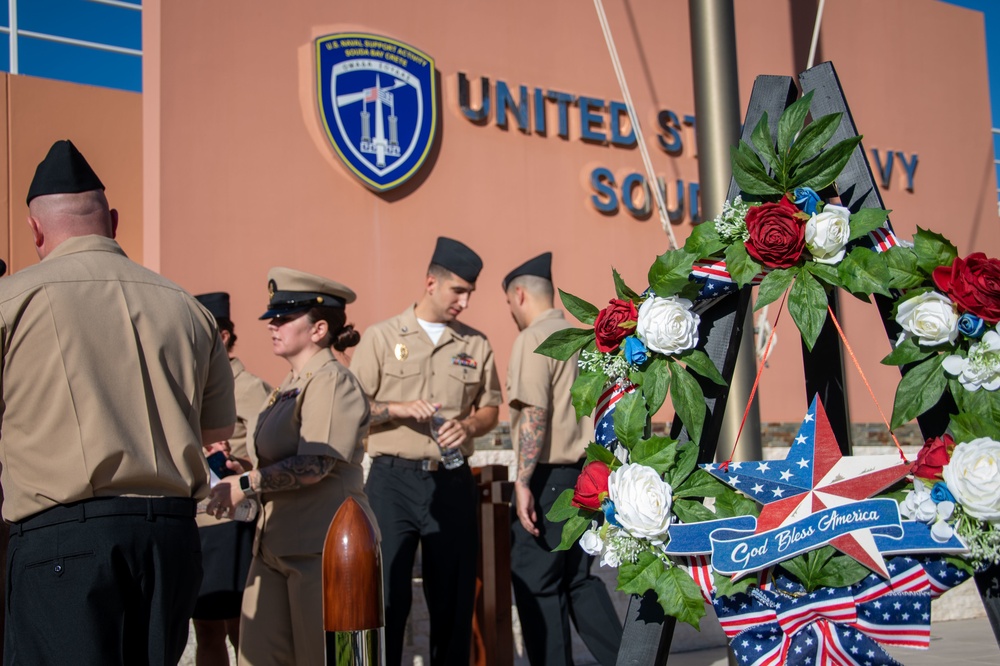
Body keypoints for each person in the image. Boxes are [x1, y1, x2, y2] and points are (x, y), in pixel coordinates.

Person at [0, 139, 236, 665]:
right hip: (170, 541)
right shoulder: (190, 310)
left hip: (65, 543)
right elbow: (214, 429)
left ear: (36, 230)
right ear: (113, 220)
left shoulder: (13, 301)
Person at [206, 267, 375, 666]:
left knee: (330, 660)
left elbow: (315, 463)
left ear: (318, 330)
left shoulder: (332, 380)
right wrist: (242, 465)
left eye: (284, 318)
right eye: (272, 319)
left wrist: (244, 482)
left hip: (325, 549)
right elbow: (282, 458)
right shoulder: (289, 384)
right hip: (275, 546)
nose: (273, 326)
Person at [350, 236, 502, 666]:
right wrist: (395, 408)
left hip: (451, 479)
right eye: (458, 290)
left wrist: (469, 424)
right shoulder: (381, 338)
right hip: (391, 481)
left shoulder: (476, 344)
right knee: (386, 597)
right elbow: (353, 407)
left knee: (453, 599)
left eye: (470, 292)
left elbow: (491, 407)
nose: (465, 302)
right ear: (430, 282)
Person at [503, 252, 622, 666]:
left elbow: (534, 412)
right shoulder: (582, 337)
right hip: (588, 476)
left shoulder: (533, 339)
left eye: (509, 305)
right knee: (578, 581)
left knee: (540, 585)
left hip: (547, 479)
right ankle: (631, 660)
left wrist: (521, 482)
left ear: (519, 295)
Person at [192, 292, 272, 666]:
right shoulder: (190, 387)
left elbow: (268, 457)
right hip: (196, 521)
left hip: (233, 524)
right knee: (206, 628)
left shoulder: (249, 387)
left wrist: (236, 461)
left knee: (242, 626)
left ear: (221, 336)